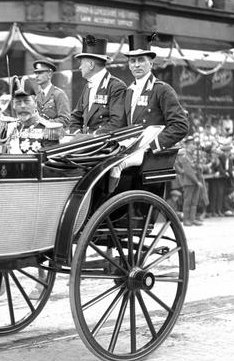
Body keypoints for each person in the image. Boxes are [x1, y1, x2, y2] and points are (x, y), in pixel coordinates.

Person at [107, 33, 189, 193]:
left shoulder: (162, 90)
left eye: (141, 60)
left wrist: (151, 146)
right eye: (133, 61)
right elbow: (122, 125)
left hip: (151, 162)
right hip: (129, 154)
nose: (137, 65)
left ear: (151, 63)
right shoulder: (128, 91)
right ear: (129, 65)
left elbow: (180, 126)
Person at [0, 76, 64, 154]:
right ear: (13, 105)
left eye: (26, 101)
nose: (22, 106)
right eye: (18, 102)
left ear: (36, 102)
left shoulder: (48, 130)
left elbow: (49, 165)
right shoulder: (9, 128)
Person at [69, 35, 126, 134]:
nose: (80, 67)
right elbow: (75, 117)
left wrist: (92, 137)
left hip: (105, 145)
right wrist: (77, 134)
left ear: (91, 65)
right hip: (86, 144)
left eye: (81, 63)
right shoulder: (88, 86)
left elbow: (117, 123)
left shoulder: (116, 87)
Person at [175, 139, 204, 226]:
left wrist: (200, 167)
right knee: (187, 201)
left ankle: (192, 219)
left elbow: (196, 169)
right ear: (187, 145)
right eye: (192, 144)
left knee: (194, 202)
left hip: (195, 182)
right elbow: (188, 172)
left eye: (194, 144)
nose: (194, 146)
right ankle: (186, 220)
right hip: (189, 182)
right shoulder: (184, 158)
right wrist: (196, 181)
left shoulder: (193, 157)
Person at [32, 60, 70, 126]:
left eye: (40, 73)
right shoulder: (37, 96)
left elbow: (65, 120)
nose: (36, 76)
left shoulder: (59, 94)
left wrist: (45, 122)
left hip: (55, 134)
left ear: (49, 74)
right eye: (36, 73)